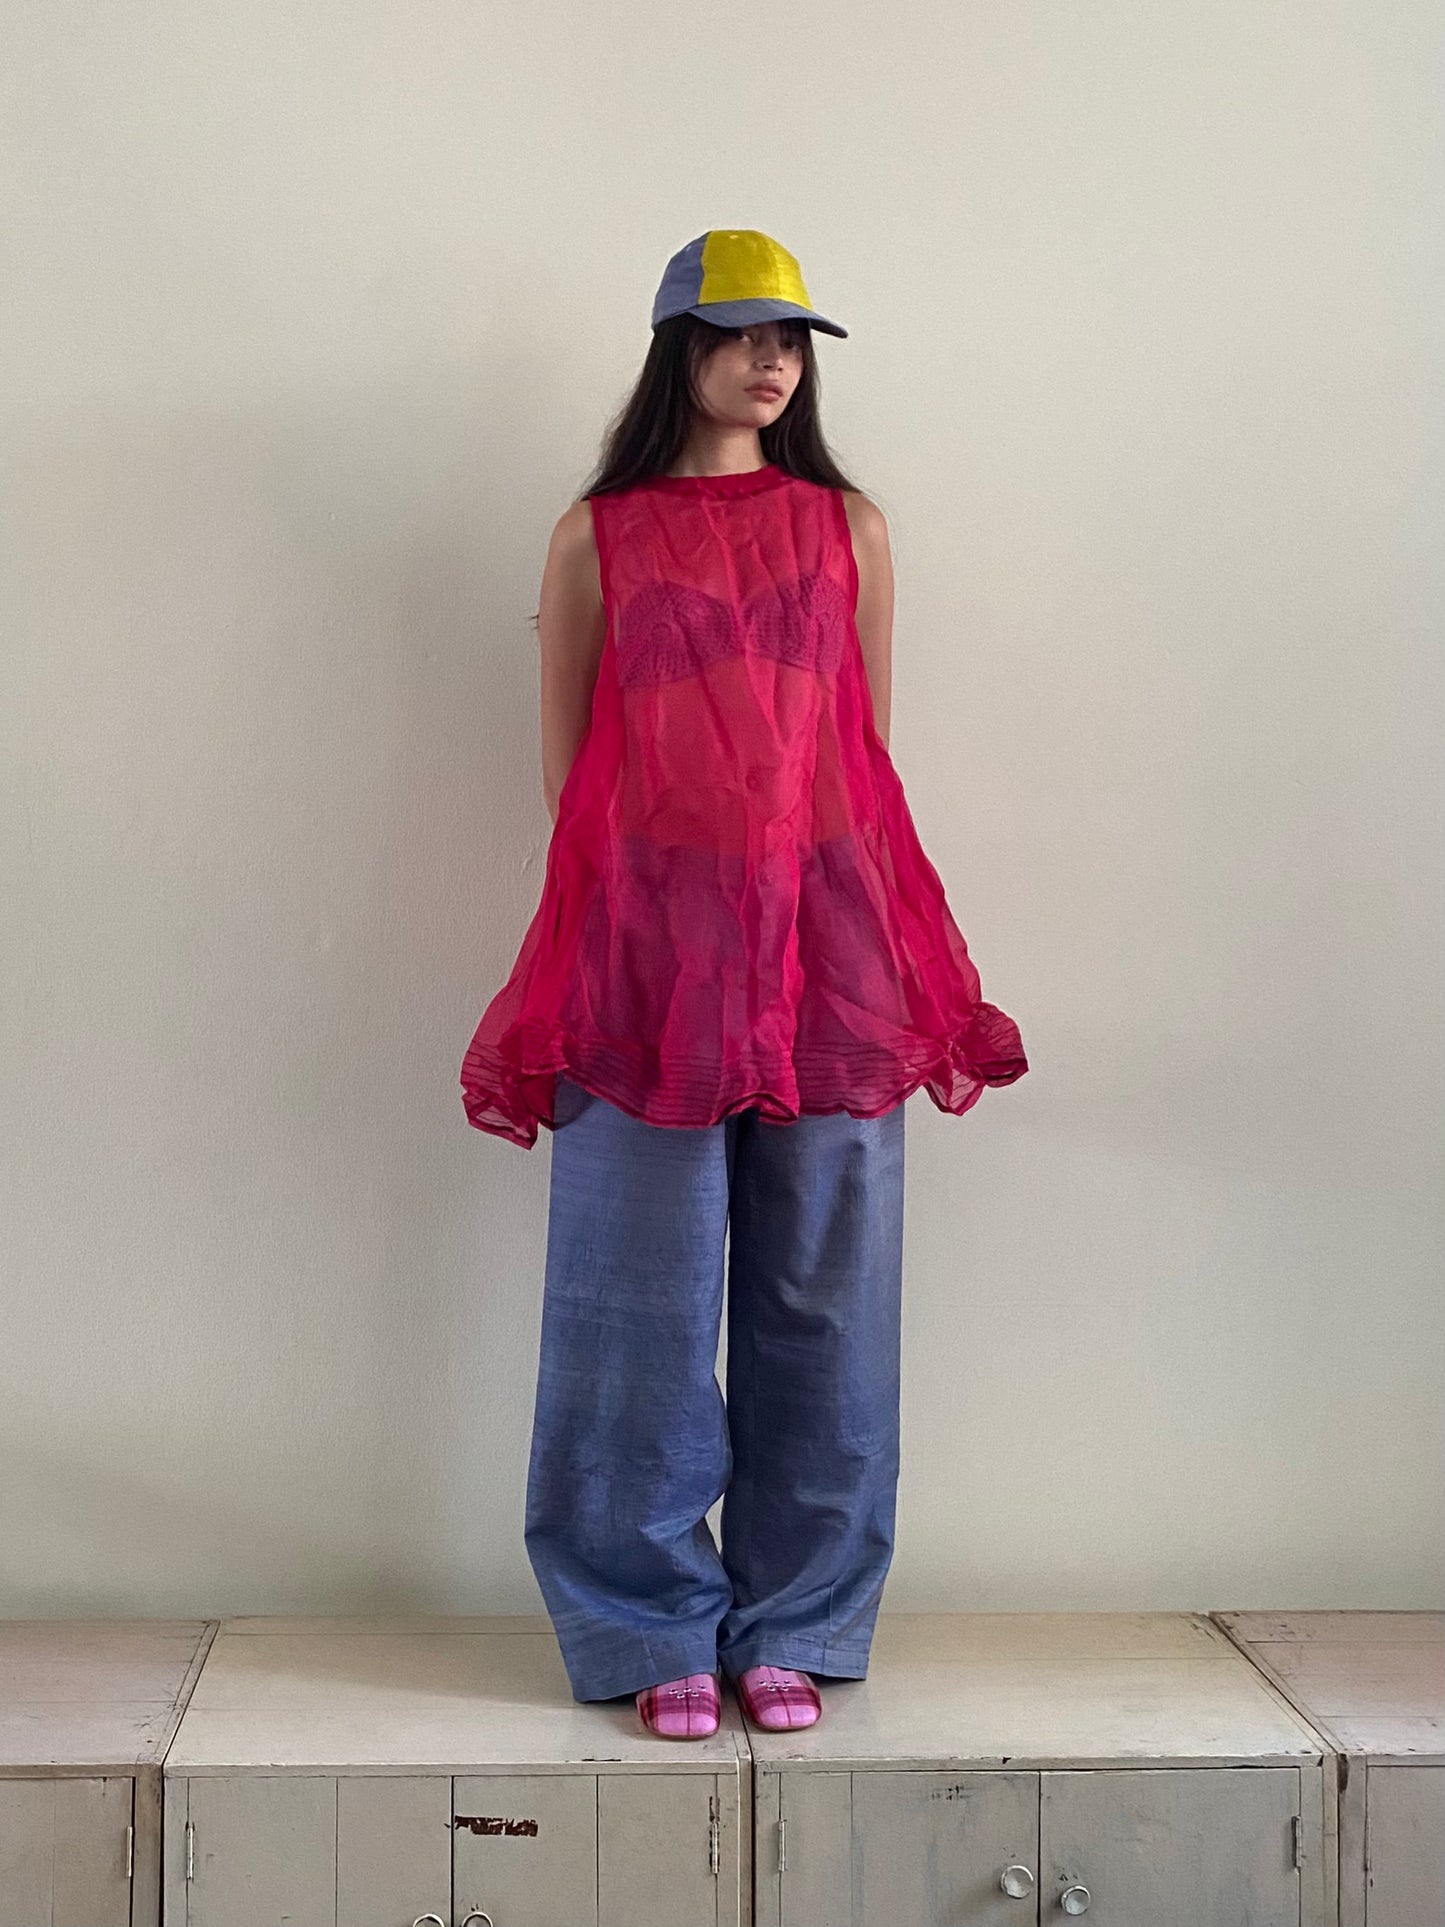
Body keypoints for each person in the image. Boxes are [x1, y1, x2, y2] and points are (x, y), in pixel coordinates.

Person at [460, 229, 1028, 1740]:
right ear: (678, 349)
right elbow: (573, 776)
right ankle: (646, 1621)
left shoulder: (850, 528)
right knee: (631, 1300)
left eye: (790, 339)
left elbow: (860, 756)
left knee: (826, 1296)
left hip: (831, 946)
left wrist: (823, 919)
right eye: (738, 334)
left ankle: (799, 1618)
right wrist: (649, 923)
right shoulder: (596, 536)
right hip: (646, 951)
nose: (770, 361)